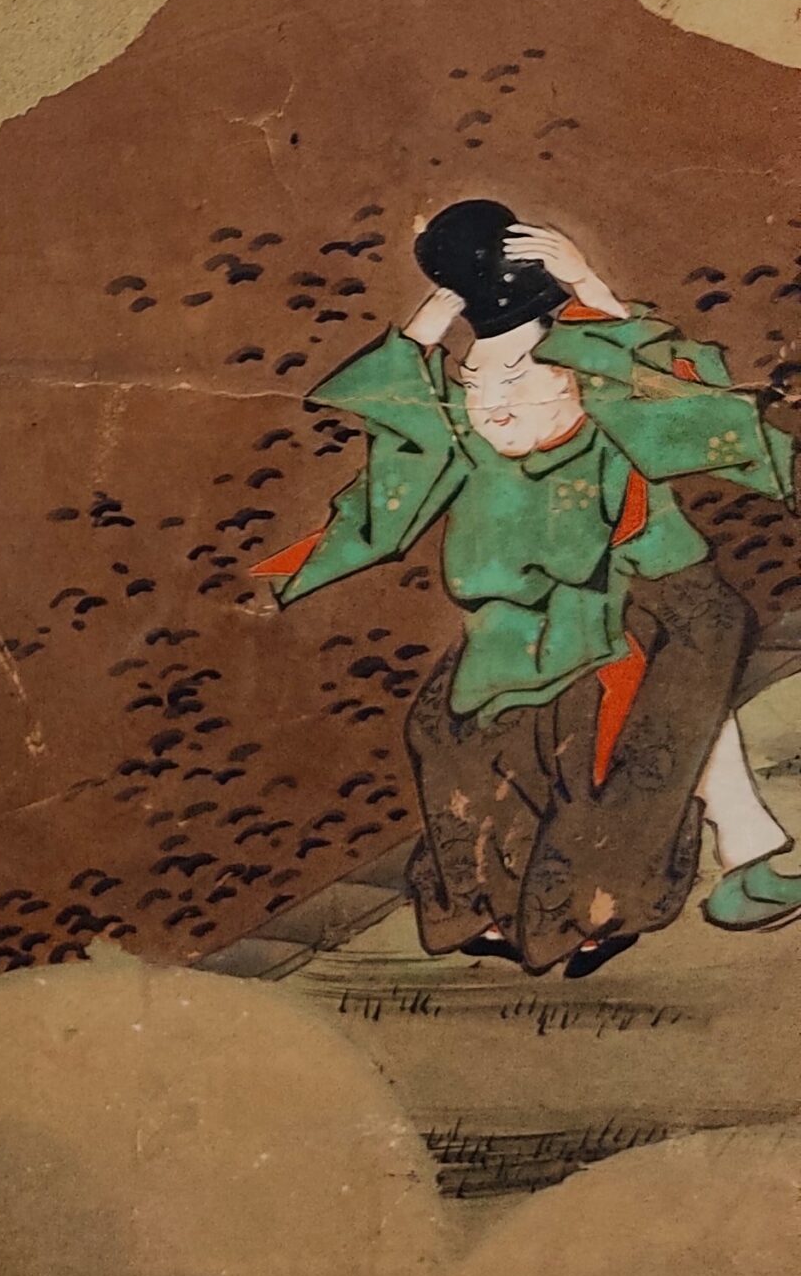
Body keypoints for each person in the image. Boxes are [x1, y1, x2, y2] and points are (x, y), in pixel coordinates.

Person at [253, 199, 800, 978]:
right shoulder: (471, 446)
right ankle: (484, 907)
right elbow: (407, 446)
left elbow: (667, 390)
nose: (493, 402)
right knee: (447, 738)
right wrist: (427, 325)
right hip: (520, 634)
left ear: (578, 381)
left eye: (518, 377)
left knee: (637, 730)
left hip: (645, 605)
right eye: (474, 382)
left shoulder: (615, 423)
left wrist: (590, 288)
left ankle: (619, 904)